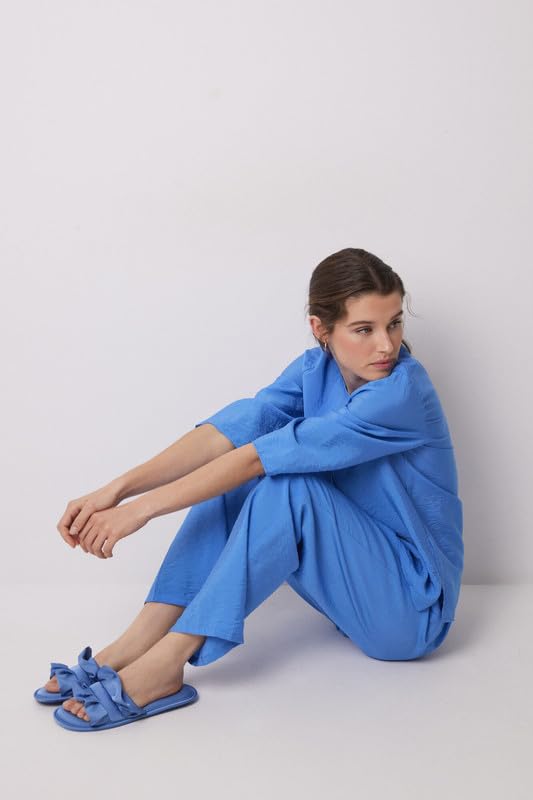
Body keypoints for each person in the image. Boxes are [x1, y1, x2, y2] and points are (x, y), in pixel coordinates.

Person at [38, 247, 464, 730]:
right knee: (233, 481)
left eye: (394, 323)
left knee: (287, 487)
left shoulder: (401, 392)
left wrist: (142, 512)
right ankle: (134, 644)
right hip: (353, 596)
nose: (386, 345)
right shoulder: (314, 370)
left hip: (412, 612)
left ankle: (166, 664)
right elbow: (230, 433)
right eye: (364, 329)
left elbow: (255, 459)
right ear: (321, 329)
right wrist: (117, 490)